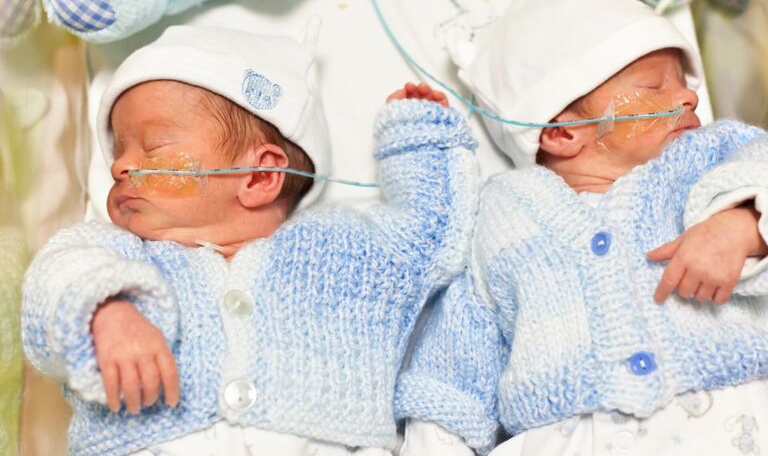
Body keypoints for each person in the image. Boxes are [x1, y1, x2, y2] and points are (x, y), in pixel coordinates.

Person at [21, 24, 478, 456]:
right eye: (118, 151)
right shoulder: (120, 255)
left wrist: (418, 141)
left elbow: (427, 238)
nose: (121, 167)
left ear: (260, 176)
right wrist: (107, 312)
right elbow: (54, 277)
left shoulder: (341, 249)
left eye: (153, 147)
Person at [396, 0, 768, 456]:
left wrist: (743, 223)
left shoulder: (709, 157)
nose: (687, 96)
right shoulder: (504, 212)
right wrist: (435, 438)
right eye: (654, 87)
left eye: (685, 83)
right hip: (563, 433)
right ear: (563, 133)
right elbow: (460, 337)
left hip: (719, 424)